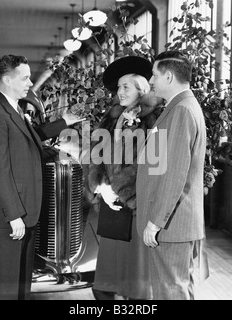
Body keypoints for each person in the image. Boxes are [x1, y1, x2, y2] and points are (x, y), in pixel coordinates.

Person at [0, 54, 83, 300]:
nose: (29, 83)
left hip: (26, 213)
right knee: (3, 289)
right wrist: (13, 214)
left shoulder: (13, 110)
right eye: (24, 78)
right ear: (6, 79)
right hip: (10, 216)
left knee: (20, 286)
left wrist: (64, 122)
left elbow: (32, 136)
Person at [87, 56, 164, 300]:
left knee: (136, 286)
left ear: (141, 88)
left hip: (137, 209)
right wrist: (101, 187)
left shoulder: (155, 119)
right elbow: (97, 156)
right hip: (112, 210)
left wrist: (121, 191)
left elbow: (155, 167)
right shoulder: (110, 118)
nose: (119, 92)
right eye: (118, 87)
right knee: (104, 286)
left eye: (125, 87)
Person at [136, 50, 208, 300]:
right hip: (175, 223)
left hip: (171, 224)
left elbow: (174, 174)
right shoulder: (180, 107)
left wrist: (155, 221)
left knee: (171, 290)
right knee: (175, 288)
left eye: (154, 75)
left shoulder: (181, 111)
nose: (151, 81)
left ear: (168, 77)